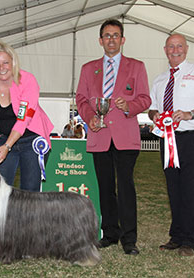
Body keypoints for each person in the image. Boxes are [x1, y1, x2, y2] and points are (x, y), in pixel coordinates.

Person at [0, 40, 54, 259]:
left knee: (29, 195)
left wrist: (8, 146)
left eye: (5, 62)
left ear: (13, 62)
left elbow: (24, 119)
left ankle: (28, 246)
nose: (1, 68)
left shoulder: (28, 81)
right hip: (2, 141)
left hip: (31, 140)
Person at [76, 19, 151, 255]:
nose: (111, 39)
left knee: (126, 187)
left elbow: (145, 99)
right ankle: (110, 233)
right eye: (107, 35)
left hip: (125, 136)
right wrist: (90, 119)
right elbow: (81, 100)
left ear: (123, 40)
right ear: (100, 41)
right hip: (99, 136)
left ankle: (129, 239)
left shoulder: (137, 67)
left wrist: (128, 105)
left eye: (115, 35)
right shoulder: (88, 69)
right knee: (105, 187)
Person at [148, 34, 194, 256]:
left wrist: (189, 113)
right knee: (173, 189)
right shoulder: (159, 79)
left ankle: (190, 239)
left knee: (189, 190)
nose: (175, 50)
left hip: (190, 138)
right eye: (171, 47)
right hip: (166, 139)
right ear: (165, 50)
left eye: (179, 46)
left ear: (186, 49)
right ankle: (176, 236)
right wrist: (154, 114)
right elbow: (152, 107)